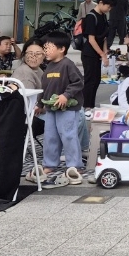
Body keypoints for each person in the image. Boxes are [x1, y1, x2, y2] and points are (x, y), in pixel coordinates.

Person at [37, 32, 85, 188]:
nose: (46, 51)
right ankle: (50, 163)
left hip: (67, 108)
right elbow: (44, 88)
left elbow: (78, 82)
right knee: (50, 136)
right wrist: (39, 104)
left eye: (49, 47)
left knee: (68, 136)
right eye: (45, 47)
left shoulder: (67, 64)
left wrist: (66, 95)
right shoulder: (48, 67)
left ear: (62, 49)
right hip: (51, 109)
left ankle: (74, 165)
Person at [77, 0, 113, 111]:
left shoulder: (102, 15)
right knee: (89, 80)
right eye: (108, 6)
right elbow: (91, 40)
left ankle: (90, 105)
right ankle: (86, 105)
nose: (109, 9)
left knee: (96, 79)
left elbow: (104, 38)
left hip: (97, 53)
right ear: (101, 3)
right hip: (89, 53)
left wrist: (105, 52)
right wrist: (102, 54)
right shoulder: (91, 17)